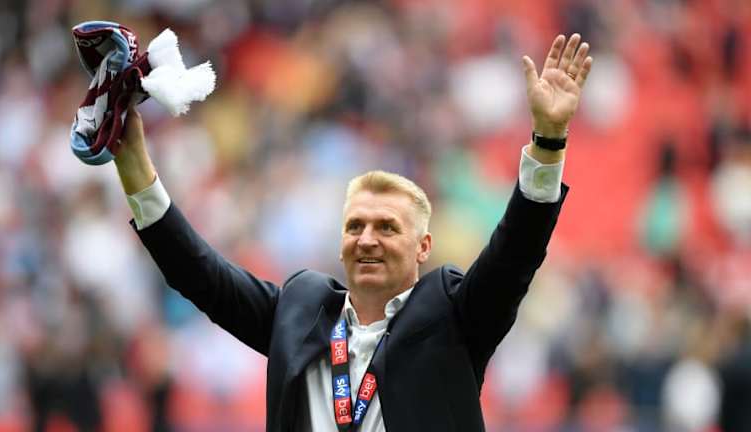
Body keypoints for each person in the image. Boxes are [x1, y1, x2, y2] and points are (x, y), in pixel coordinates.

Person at [111, 33, 593, 431]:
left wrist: (548, 141)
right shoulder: (299, 312)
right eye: (355, 226)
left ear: (423, 247)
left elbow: (515, 253)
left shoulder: (453, 317)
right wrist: (133, 164)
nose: (367, 239)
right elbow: (199, 274)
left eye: (387, 227)